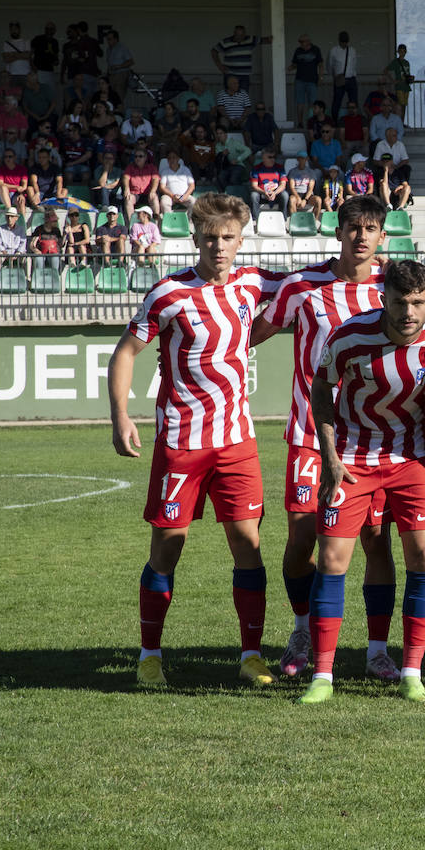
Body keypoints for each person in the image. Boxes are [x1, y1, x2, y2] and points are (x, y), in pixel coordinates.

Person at [107, 194, 285, 688]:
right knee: (168, 547)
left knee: (247, 544)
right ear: (196, 239)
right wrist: (120, 415)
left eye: (228, 237)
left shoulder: (255, 283)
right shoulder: (168, 293)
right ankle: (149, 655)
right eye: (211, 237)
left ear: (241, 239)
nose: (219, 246)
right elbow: (126, 351)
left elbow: (306, 286)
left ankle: (251, 654)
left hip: (236, 442)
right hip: (181, 442)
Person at [247, 195, 402, 682]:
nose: (361, 235)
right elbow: (251, 333)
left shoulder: (390, 287)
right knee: (301, 536)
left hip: (370, 440)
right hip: (310, 435)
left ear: (382, 237)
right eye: (353, 226)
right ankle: (302, 629)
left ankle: (377, 650)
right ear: (338, 232)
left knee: (377, 539)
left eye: (371, 227)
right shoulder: (302, 286)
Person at [300, 259, 425, 704]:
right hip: (352, 459)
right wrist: (330, 457)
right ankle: (322, 677)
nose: (409, 312)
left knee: (424, 554)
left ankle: (411, 670)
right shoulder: (351, 337)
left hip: (411, 459)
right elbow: (321, 388)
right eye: (399, 302)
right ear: (382, 299)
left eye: (417, 302)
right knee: (333, 558)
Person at [212, 25, 272, 92]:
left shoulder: (250, 40)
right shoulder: (226, 42)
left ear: (245, 34)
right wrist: (219, 65)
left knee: (243, 97)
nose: (240, 38)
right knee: (230, 97)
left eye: (242, 35)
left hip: (244, 76)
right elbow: (214, 51)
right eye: (238, 35)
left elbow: (266, 40)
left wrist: (274, 36)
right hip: (231, 74)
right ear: (234, 33)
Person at [249, 148, 289, 220]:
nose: (272, 159)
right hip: (262, 193)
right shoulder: (256, 168)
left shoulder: (280, 168)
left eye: (274, 157)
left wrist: (275, 193)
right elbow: (254, 185)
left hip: (276, 194)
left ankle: (283, 219)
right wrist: (264, 192)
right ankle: (256, 220)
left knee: (285, 195)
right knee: (254, 195)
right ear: (263, 158)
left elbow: (283, 185)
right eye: (270, 157)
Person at [122, 147, 160, 220]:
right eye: (136, 156)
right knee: (128, 199)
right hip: (135, 194)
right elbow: (125, 178)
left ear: (145, 158)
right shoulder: (130, 167)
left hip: (148, 193)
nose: (137, 158)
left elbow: (156, 179)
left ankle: (156, 223)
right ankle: (131, 224)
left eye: (140, 156)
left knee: (154, 198)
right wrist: (127, 189)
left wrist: (153, 191)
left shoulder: (151, 167)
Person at [158, 148, 196, 215]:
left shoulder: (185, 170)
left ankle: (189, 223)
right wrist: (173, 196)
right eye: (169, 158)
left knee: (194, 202)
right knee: (164, 202)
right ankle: (169, 223)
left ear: (178, 159)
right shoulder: (165, 171)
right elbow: (162, 187)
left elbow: (192, 185)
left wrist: (184, 196)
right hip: (170, 196)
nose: (171, 160)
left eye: (174, 157)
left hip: (184, 196)